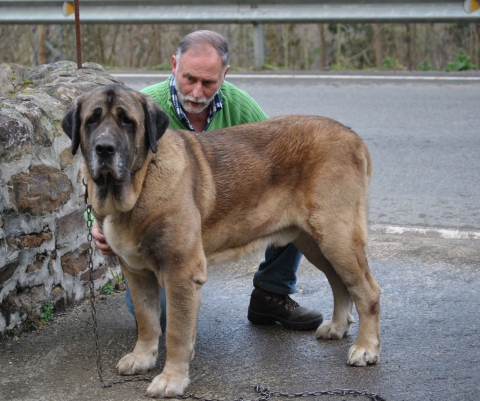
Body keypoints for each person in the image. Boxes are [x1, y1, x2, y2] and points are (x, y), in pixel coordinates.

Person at [92, 30, 323, 331]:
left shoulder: (240, 105)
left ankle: (272, 292)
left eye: (208, 83)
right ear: (174, 65)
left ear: (225, 75)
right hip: (159, 235)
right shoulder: (142, 110)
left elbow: (276, 163)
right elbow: (103, 174)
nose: (197, 92)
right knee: (161, 314)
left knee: (289, 189)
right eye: (189, 79)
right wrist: (95, 225)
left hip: (217, 216)